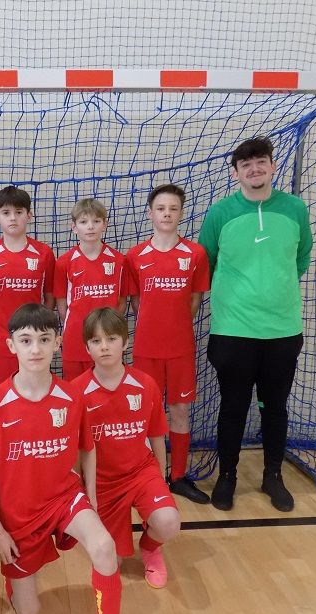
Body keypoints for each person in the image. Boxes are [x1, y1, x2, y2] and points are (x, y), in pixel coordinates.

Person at [0, 304, 130, 614]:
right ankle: (17, 583)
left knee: (104, 546)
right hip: (18, 513)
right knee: (28, 613)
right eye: (26, 340)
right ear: (11, 345)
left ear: (58, 343)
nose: (35, 349)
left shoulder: (72, 397)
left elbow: (87, 449)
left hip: (64, 498)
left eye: (44, 339)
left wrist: (91, 499)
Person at [199, 136, 313, 512]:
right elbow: (206, 263)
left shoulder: (295, 209)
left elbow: (301, 258)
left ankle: (273, 476)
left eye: (260, 161)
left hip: (283, 330)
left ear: (272, 165)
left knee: (274, 407)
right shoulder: (220, 213)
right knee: (232, 407)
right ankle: (227, 477)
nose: (254, 169)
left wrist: (274, 291)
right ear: (236, 173)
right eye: (245, 164)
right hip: (233, 330)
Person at [72, 308, 181, 589]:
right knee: (112, 562)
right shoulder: (76, 392)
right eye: (96, 341)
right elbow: (76, 452)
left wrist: (161, 480)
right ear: (86, 348)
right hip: (102, 483)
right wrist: (83, 493)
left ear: (126, 342)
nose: (104, 346)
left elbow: (157, 437)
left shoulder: (145, 384)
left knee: (168, 521)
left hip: (141, 472)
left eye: (111, 338)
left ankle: (150, 547)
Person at [124, 184, 211, 504]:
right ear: (150, 213)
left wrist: (174, 326)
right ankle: (151, 476)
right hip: (146, 349)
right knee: (146, 413)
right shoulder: (135, 256)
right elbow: (135, 302)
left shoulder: (195, 254)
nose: (167, 214)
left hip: (180, 349)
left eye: (173, 208)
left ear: (181, 213)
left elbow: (195, 299)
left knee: (180, 411)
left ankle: (178, 477)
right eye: (161, 208)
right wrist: (154, 325)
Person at [0, 186, 55, 388]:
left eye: (18, 212)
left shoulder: (44, 253)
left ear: (29, 215)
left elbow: (50, 296)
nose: (12, 218)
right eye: (6, 213)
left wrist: (39, 328)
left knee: (36, 393)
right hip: (0, 342)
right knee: (2, 395)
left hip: (34, 342)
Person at [53, 198, 126, 381]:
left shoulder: (119, 261)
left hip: (107, 343)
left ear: (104, 225)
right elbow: (62, 306)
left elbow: (122, 302)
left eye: (96, 221)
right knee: (74, 392)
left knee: (107, 390)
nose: (90, 226)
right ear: (74, 227)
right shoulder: (64, 262)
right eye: (84, 222)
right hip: (75, 341)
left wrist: (107, 329)